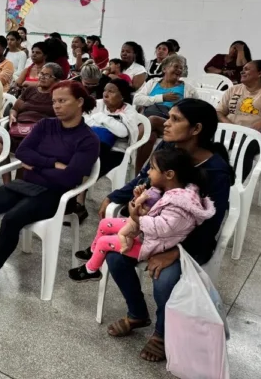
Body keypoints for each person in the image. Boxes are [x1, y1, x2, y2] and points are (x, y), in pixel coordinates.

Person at [82, 99, 233, 362]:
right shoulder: (167, 146)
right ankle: (137, 313)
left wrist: (174, 252)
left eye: (175, 119)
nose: (166, 123)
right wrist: (117, 196)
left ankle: (162, 333)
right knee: (116, 257)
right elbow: (143, 178)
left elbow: (210, 223)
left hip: (190, 241)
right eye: (169, 117)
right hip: (154, 230)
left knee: (163, 278)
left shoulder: (215, 169)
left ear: (196, 129)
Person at [0, 81, 99, 305]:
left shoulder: (88, 140)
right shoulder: (46, 125)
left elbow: (70, 178)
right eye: (54, 101)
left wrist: (38, 165)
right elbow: (22, 151)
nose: (56, 106)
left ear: (79, 102)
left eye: (62, 101)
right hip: (26, 185)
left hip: (56, 195)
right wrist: (54, 164)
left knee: (12, 219)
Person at [69, 147, 215, 282]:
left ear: (169, 174)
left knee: (104, 242)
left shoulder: (180, 205)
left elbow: (163, 228)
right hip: (145, 232)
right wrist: (138, 199)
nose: (148, 172)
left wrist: (137, 218)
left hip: (152, 244)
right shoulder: (166, 189)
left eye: (152, 168)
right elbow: (152, 210)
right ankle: (94, 252)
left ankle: (91, 270)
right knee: (104, 224)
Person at [134, 56, 198, 171]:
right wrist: (161, 98)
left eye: (181, 68)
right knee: (150, 137)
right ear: (164, 69)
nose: (179, 70)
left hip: (171, 122)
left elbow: (196, 108)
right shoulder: (152, 83)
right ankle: (138, 175)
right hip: (149, 121)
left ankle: (132, 144)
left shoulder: (188, 89)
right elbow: (137, 99)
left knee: (152, 120)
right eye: (176, 66)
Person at [217, 59, 261, 179]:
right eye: (243, 69)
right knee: (211, 144)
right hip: (231, 131)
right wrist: (230, 126)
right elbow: (219, 111)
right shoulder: (234, 89)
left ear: (260, 73)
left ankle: (235, 185)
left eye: (247, 69)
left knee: (244, 149)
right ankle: (214, 179)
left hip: (254, 134)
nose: (242, 72)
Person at [85, 78, 139, 178]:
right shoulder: (98, 104)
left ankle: (82, 188)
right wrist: (106, 124)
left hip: (117, 150)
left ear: (122, 96)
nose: (105, 94)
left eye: (111, 91)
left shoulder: (129, 111)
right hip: (93, 142)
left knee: (93, 165)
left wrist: (101, 117)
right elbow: (83, 119)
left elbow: (122, 132)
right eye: (105, 90)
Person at [8, 62, 62, 150]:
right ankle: (7, 164)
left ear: (57, 80)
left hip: (40, 134)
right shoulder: (30, 90)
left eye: (47, 75)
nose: (42, 77)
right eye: (41, 73)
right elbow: (14, 109)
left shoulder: (58, 95)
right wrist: (12, 116)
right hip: (19, 129)